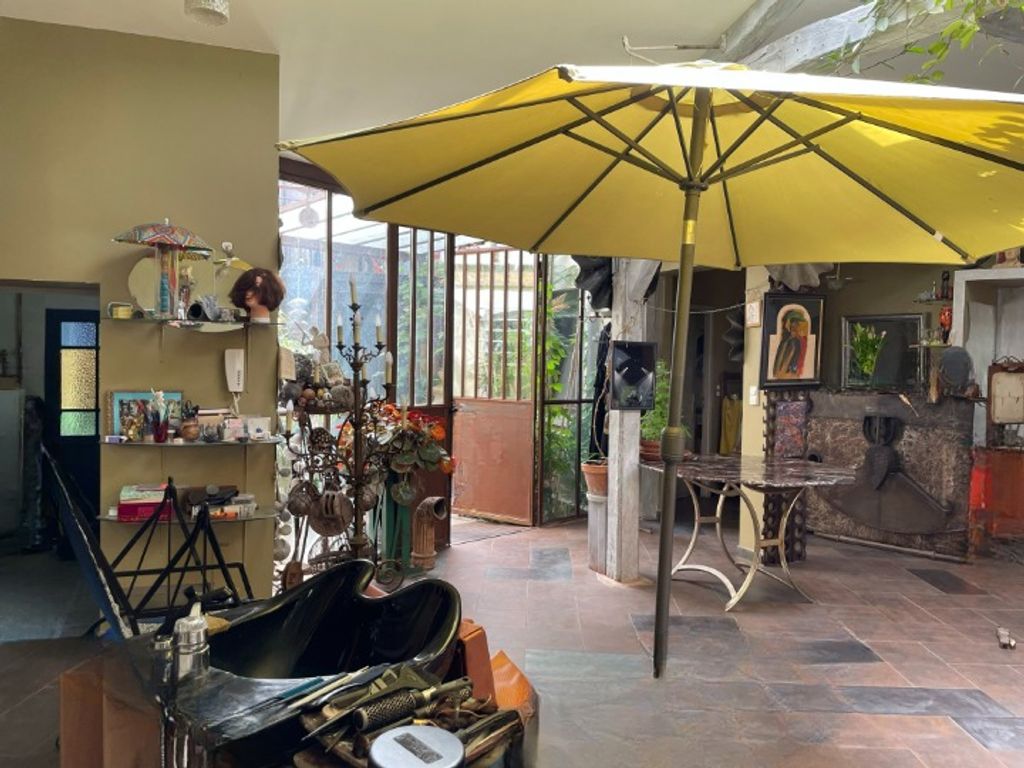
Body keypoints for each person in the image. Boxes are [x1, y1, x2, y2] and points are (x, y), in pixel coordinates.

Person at [20, 396, 49, 553]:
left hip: (34, 472)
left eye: (31, 413)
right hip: (24, 471)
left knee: (34, 500)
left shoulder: (39, 435)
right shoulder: (23, 437)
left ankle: (36, 537)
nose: (27, 418)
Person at [772, 308, 810, 380]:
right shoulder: (786, 341)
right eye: (794, 324)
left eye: (797, 324)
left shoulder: (798, 341)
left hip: (793, 371)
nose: (796, 326)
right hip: (785, 372)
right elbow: (781, 358)